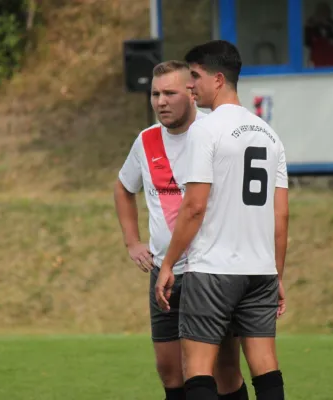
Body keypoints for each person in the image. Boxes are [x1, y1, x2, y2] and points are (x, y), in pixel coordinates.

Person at [154, 40, 289, 400]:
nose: (189, 85)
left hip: (213, 268)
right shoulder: (269, 134)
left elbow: (194, 206)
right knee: (265, 365)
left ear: (217, 79)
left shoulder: (206, 129)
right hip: (259, 271)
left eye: (194, 76)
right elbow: (281, 214)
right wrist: (277, 272)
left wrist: (168, 263)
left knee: (198, 367)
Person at [114, 60, 248, 400]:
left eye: (169, 93)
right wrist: (132, 241)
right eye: (155, 94)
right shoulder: (145, 141)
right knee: (170, 371)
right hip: (164, 273)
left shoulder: (215, 133)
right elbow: (123, 188)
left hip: (211, 271)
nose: (160, 101)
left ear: (191, 93)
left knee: (224, 372)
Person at [304, 1, 333, 67]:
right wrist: (307, 27)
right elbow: (304, 42)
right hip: (316, 66)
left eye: (324, 11)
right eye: (319, 11)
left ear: (329, 12)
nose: (322, 14)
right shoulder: (312, 28)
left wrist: (329, 27)